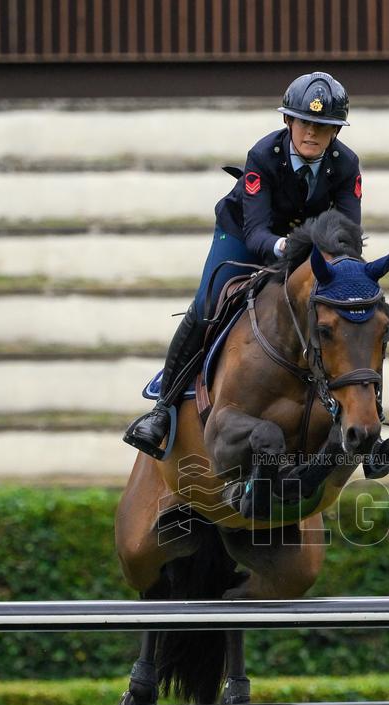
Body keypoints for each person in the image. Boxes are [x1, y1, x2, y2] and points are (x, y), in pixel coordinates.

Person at [124, 70, 363, 458]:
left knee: (353, 315)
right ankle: (162, 411)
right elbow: (256, 233)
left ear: (336, 132)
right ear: (288, 121)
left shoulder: (346, 164)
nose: (312, 134)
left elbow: (350, 231)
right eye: (305, 122)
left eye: (324, 126)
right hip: (244, 236)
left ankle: (365, 421)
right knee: (206, 305)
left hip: (306, 247)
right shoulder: (263, 155)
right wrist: (290, 247)